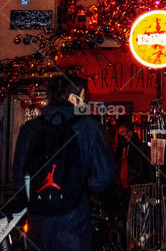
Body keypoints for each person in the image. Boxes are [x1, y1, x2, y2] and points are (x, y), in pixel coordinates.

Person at [13, 72, 115, 251]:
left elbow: (19, 177)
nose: (85, 102)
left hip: (39, 223)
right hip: (75, 222)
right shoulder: (89, 127)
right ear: (72, 98)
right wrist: (80, 183)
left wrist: (41, 198)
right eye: (83, 96)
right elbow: (103, 177)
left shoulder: (30, 129)